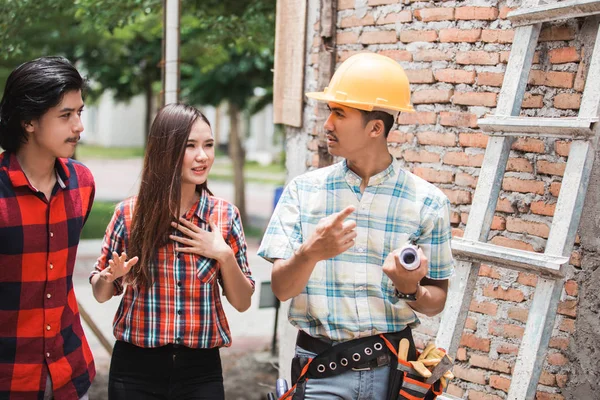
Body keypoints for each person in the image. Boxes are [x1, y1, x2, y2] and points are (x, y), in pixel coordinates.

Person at [258, 52, 455, 399]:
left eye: (340, 113)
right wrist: (310, 254)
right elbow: (282, 289)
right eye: (330, 111)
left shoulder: (427, 201)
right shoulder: (304, 192)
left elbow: (436, 299)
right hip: (319, 373)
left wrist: (411, 288)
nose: (327, 124)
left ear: (375, 128)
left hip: (394, 375)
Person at [89, 103, 255, 400]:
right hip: (135, 369)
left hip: (200, 372)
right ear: (165, 150)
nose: (202, 156)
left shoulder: (224, 216)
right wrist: (109, 276)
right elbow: (101, 293)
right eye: (190, 146)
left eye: (208, 145)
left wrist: (223, 256)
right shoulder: (129, 214)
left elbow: (242, 303)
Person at [0, 56, 95, 399]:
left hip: (70, 373)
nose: (79, 126)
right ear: (28, 121)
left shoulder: (82, 183)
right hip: (9, 379)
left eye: (79, 112)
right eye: (66, 115)